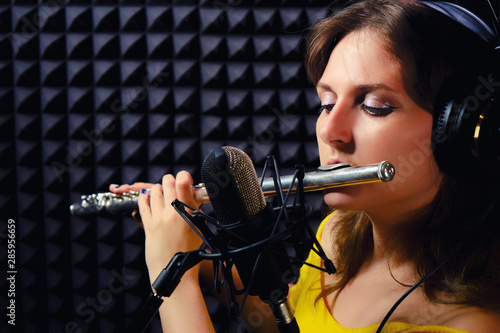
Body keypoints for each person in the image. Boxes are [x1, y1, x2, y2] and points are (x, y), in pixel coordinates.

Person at [111, 0, 500, 331]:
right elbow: (292, 322)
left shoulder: (469, 322)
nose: (331, 131)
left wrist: (171, 277)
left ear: (462, 130)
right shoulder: (342, 233)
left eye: (374, 106)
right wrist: (196, 248)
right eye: (327, 103)